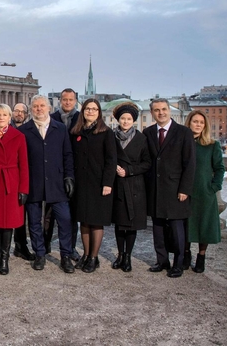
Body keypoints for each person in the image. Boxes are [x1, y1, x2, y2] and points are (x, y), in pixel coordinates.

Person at [20, 95, 76, 273]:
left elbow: (67, 154)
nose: (39, 109)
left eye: (42, 106)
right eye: (35, 106)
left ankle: (66, 255)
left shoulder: (59, 128)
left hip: (57, 182)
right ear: (31, 109)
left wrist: (69, 177)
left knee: (65, 220)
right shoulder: (24, 130)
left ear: (49, 108)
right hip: (34, 182)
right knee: (35, 222)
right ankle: (40, 254)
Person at [144, 98, 196, 278]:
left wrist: (185, 189)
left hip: (175, 189)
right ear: (152, 113)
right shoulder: (148, 132)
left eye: (164, 109)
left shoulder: (183, 132)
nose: (161, 113)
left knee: (177, 228)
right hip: (155, 188)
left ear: (169, 110)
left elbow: (190, 164)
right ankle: (162, 261)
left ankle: (178, 264)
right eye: (157, 110)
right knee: (157, 228)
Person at [70, 98, 117, 273]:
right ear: (83, 112)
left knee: (96, 222)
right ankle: (86, 254)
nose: (90, 112)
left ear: (99, 112)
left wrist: (107, 183)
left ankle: (93, 257)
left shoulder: (106, 132)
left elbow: (111, 160)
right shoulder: (76, 132)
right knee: (84, 220)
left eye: (94, 109)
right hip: (81, 183)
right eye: (88, 109)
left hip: (99, 184)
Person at [0, 104, 29, 275]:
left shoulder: (19, 136)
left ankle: (4, 259)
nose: (1, 117)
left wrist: (24, 189)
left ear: (10, 117)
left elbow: (24, 165)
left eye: (5, 115)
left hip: (11, 183)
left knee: (8, 223)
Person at [110, 102, 151, 273]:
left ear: (133, 121)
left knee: (132, 224)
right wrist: (113, 168)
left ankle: (128, 257)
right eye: (122, 118)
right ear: (118, 120)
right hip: (118, 185)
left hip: (135, 186)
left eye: (129, 119)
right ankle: (120, 254)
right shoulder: (111, 137)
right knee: (120, 224)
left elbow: (147, 163)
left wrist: (128, 171)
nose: (125, 121)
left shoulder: (141, 139)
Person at [184, 110, 224, 274]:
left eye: (201, 122)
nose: (198, 124)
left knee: (204, 226)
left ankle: (201, 256)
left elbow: (220, 168)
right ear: (189, 123)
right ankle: (185, 255)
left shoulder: (212, 145)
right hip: (185, 192)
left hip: (205, 193)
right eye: (195, 121)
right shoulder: (183, 143)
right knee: (185, 225)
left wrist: (214, 187)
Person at [49, 88, 81, 260]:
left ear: (75, 100)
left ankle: (71, 248)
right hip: (53, 171)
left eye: (71, 99)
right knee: (48, 215)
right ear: (60, 100)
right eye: (64, 99)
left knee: (72, 215)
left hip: (75, 171)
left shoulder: (81, 118)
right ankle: (45, 247)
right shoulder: (52, 118)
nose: (67, 102)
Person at [11, 102, 33, 260]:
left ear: (26, 114)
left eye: (22, 112)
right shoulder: (5, 128)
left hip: (25, 176)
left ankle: (20, 245)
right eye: (16, 111)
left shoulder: (30, 131)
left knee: (22, 213)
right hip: (9, 176)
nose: (19, 114)